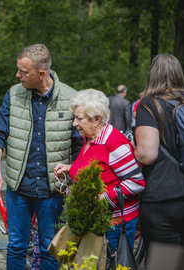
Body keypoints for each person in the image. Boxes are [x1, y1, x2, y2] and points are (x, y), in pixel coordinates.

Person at [0, 44, 83, 270]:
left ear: (41, 74)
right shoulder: (12, 94)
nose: (17, 75)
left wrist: (72, 170)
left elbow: (81, 146)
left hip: (53, 192)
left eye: (23, 71)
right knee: (16, 246)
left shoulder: (71, 98)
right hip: (19, 189)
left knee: (52, 249)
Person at [133, 54, 184, 257]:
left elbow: (146, 155)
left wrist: (132, 149)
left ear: (153, 75)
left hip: (164, 198)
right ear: (179, 74)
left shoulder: (149, 105)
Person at [54, 89, 145, 255]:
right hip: (96, 221)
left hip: (114, 224)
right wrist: (70, 168)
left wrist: (104, 197)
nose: (74, 123)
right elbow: (97, 166)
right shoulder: (90, 138)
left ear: (96, 119)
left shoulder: (114, 143)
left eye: (79, 118)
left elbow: (137, 182)